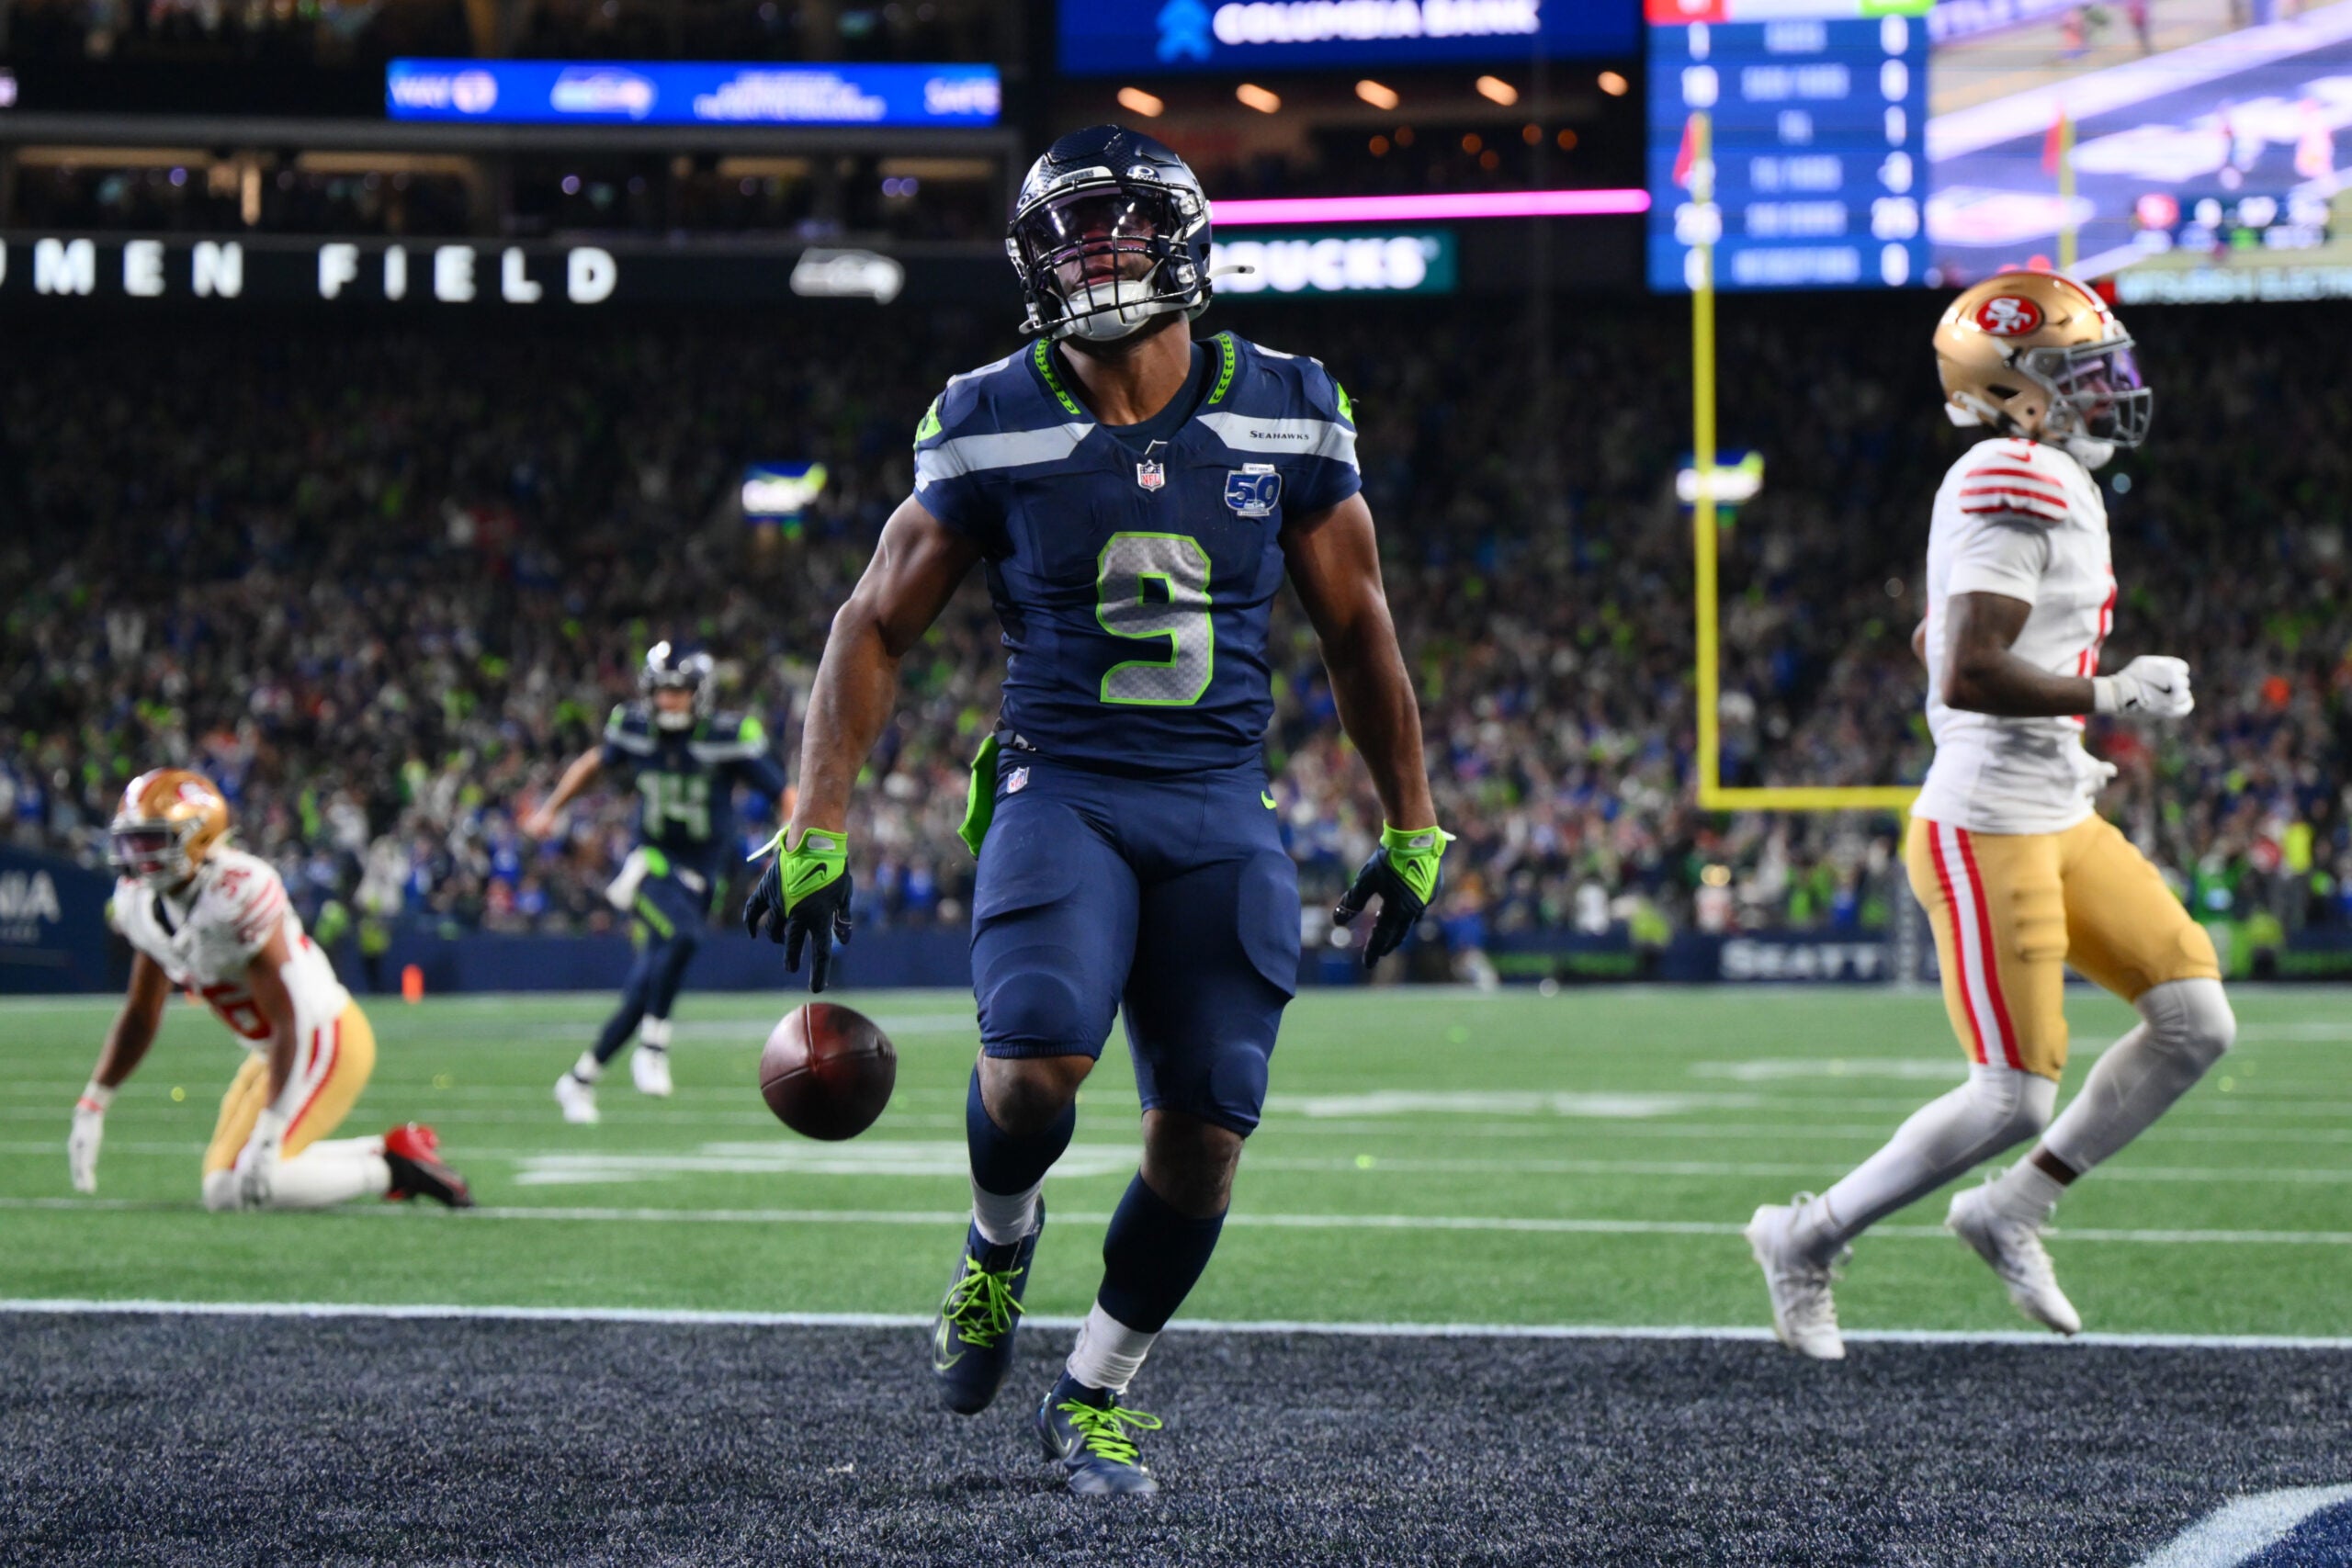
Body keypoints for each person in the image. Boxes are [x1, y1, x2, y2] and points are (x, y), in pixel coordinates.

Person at [743, 125, 1448, 1495]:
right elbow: (872, 624)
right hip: (1059, 784)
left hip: (1216, 798)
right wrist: (815, 814)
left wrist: (1413, 822)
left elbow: (1359, 627)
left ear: (1184, 242)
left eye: (1118, 227)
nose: (1093, 256)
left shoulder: (1288, 402)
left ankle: (1096, 1390)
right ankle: (999, 1243)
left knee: (1206, 1136)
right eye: (1067, 234)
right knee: (1032, 1067)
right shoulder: (990, 409)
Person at [1745, 273, 2231, 1359]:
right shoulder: (2013, 475)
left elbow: (1934, 642)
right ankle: (1803, 1237)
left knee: (2197, 1023)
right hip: (1985, 824)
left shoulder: (2041, 472)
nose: (2109, 388)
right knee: (2011, 1095)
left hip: (2057, 807)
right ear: (2013, 391)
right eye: (2079, 371)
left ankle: (2011, 1208)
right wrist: (2112, 693)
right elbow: (1963, 668)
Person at [70, 769, 472, 1212]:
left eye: (151, 841)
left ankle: (395, 1172)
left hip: (322, 1035)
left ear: (198, 838)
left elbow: (290, 1015)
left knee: (234, 1189)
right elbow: (142, 1013)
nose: (137, 857)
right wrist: (95, 1100)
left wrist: (271, 1126)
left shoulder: (237, 892)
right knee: (228, 1179)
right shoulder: (140, 903)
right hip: (274, 1047)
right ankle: (392, 1150)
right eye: (132, 841)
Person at [526, 642, 786, 1123]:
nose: (668, 702)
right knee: (685, 937)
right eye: (662, 691)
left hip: (701, 877)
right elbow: (591, 764)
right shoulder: (634, 729)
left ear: (699, 694)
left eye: (679, 691)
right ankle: (654, 1045)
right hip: (652, 864)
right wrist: (550, 810)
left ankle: (578, 1080)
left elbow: (783, 791)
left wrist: (799, 846)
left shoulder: (725, 736)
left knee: (645, 986)